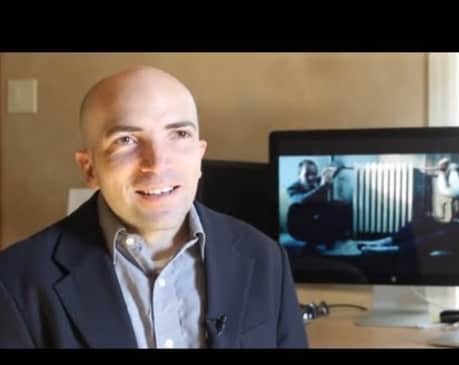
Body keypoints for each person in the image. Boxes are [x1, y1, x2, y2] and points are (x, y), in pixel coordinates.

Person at [0, 66, 308, 349]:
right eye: (126, 140)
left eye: (179, 134)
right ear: (89, 168)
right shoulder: (16, 280)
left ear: (199, 155)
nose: (158, 163)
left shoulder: (265, 257)